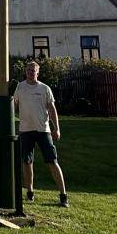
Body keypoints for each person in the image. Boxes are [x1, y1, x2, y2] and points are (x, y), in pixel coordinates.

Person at [13, 59, 69, 207]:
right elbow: (13, 106)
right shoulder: (20, 87)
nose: (31, 73)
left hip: (43, 130)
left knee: (52, 161)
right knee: (27, 161)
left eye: (33, 71)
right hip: (25, 130)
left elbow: (52, 109)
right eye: (28, 71)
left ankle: (63, 195)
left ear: (38, 72)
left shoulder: (45, 89)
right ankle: (30, 192)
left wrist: (56, 128)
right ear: (25, 72)